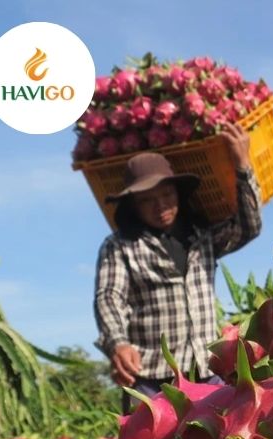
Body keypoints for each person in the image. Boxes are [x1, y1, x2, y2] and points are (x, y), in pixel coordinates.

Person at [94, 122, 261, 413]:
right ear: (133, 205)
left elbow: (249, 226)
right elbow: (109, 296)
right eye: (147, 200)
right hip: (150, 377)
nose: (160, 206)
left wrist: (243, 166)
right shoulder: (120, 245)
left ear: (179, 194)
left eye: (167, 195)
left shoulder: (202, 237)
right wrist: (118, 343)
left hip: (206, 371)